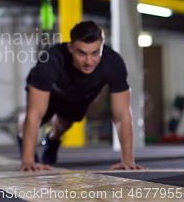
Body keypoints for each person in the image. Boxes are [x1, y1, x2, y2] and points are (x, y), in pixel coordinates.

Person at [19, 21, 147, 171]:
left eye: (95, 53)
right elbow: (34, 114)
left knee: (65, 122)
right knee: (35, 118)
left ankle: (53, 139)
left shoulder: (113, 63)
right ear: (70, 48)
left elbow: (122, 114)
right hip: (51, 92)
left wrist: (128, 160)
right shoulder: (51, 61)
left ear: (101, 48)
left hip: (80, 95)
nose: (88, 61)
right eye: (81, 53)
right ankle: (22, 139)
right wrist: (28, 160)